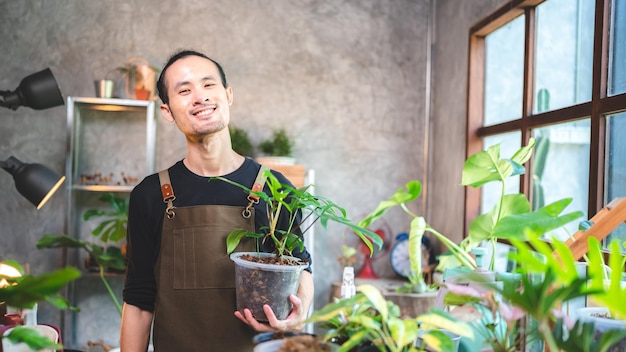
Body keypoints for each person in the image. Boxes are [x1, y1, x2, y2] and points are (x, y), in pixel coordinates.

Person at [120, 49, 314, 352]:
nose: (200, 97)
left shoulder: (276, 189)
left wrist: (298, 314)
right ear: (167, 111)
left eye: (208, 85)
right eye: (184, 90)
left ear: (228, 95)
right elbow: (139, 300)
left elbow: (300, 269)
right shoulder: (150, 195)